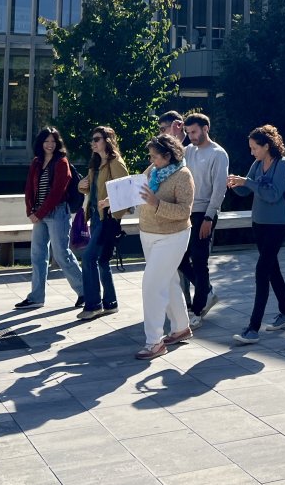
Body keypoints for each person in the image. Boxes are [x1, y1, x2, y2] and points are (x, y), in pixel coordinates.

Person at [228, 124, 285, 345]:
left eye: (255, 148)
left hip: (277, 224)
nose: (252, 152)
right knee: (272, 268)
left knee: (262, 270)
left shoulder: (283, 164)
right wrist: (235, 183)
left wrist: (248, 182)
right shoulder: (257, 163)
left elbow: (273, 194)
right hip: (259, 223)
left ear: (267, 146)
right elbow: (247, 189)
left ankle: (253, 328)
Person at [134, 135, 195, 360]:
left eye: (155, 156)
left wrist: (157, 203)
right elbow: (137, 189)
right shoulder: (154, 169)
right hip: (148, 233)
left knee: (151, 286)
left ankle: (154, 342)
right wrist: (112, 200)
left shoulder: (183, 176)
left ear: (168, 156)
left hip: (173, 236)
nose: (151, 160)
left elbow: (184, 211)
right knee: (167, 281)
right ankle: (180, 327)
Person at [15, 127, 84, 310]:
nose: (50, 145)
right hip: (39, 215)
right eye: (47, 141)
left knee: (62, 255)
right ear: (41, 143)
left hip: (57, 213)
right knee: (37, 256)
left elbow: (57, 193)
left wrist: (39, 213)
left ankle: (85, 292)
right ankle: (36, 297)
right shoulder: (37, 162)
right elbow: (29, 187)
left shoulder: (62, 162)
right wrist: (30, 210)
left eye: (53, 141)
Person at [179, 113, 229, 328]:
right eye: (188, 133)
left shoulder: (218, 154)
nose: (191, 136)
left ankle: (198, 309)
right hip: (186, 212)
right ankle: (206, 290)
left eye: (194, 132)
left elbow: (219, 188)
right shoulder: (187, 150)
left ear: (205, 128)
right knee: (179, 259)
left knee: (199, 260)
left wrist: (210, 216)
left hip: (204, 213)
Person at [76, 126, 130, 319]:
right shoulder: (95, 163)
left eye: (97, 139)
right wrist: (81, 186)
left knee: (89, 258)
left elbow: (126, 192)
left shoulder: (116, 162)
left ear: (108, 140)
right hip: (96, 218)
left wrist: (112, 208)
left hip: (108, 219)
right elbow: (92, 189)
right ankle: (110, 303)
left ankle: (93, 305)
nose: (93, 143)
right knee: (102, 260)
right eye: (92, 139)